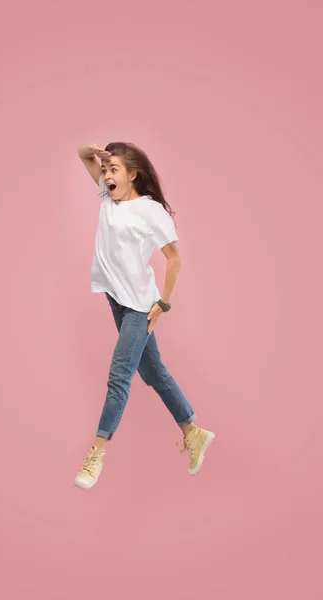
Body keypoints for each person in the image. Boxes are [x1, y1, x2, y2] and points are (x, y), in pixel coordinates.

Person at [74, 142, 215, 489]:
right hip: (116, 299)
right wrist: (95, 152)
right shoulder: (108, 198)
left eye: (114, 170)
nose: (106, 175)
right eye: (105, 170)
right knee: (153, 371)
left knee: (119, 377)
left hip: (139, 305)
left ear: (132, 175)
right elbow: (82, 155)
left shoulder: (150, 211)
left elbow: (174, 257)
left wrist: (163, 304)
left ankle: (96, 455)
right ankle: (193, 432)